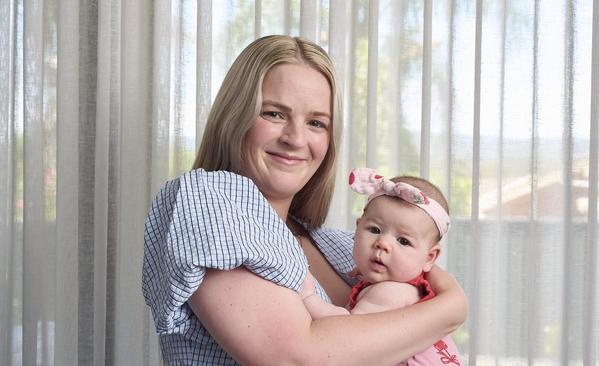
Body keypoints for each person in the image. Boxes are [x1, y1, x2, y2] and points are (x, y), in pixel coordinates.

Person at [142, 35, 467, 365]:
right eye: (274, 114)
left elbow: (423, 264)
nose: (295, 139)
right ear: (235, 116)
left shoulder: (339, 245)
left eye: (315, 122)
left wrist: (447, 298)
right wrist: (451, 308)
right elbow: (298, 359)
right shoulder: (208, 199)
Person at [301, 167, 461, 365]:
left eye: (403, 241)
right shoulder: (403, 287)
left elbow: (346, 331)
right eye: (375, 230)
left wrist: (309, 298)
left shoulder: (389, 293)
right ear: (358, 227)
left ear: (429, 258)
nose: (383, 243)